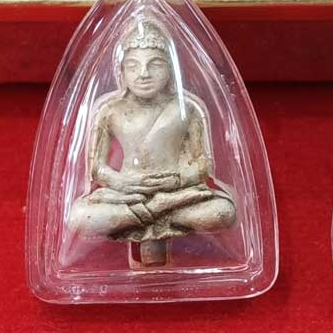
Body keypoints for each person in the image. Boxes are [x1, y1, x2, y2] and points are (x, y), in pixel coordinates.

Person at [69, 20, 236, 265]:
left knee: (223, 211)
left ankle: (149, 213)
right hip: (127, 195)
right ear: (121, 72)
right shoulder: (109, 111)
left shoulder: (188, 108)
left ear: (171, 69)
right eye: (133, 66)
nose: (144, 74)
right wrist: (122, 183)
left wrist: (176, 181)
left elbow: (204, 164)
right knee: (79, 217)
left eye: (155, 64)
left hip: (177, 192)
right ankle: (158, 211)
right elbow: (96, 168)